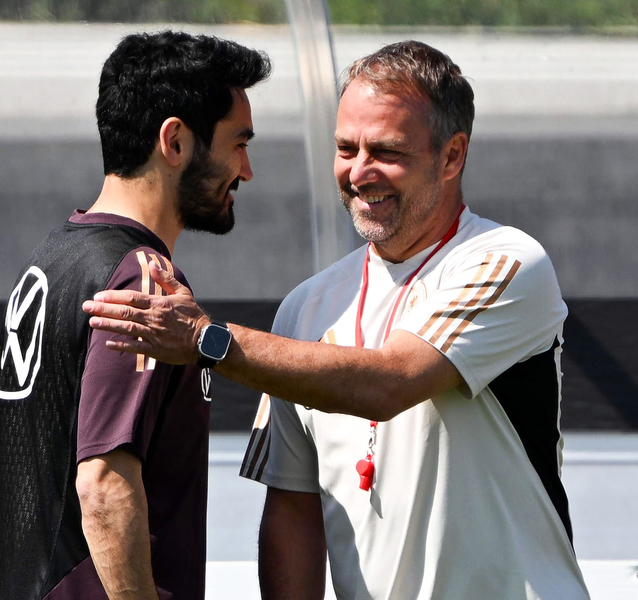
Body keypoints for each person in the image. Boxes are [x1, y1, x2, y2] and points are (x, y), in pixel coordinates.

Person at [82, 40, 589, 600]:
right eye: (346, 148)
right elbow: (293, 508)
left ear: (452, 156)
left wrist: (207, 339)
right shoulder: (304, 306)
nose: (360, 172)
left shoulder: (506, 261)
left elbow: (391, 382)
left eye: (388, 152)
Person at [0, 31, 270, 600]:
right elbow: (105, 486)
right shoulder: (142, 278)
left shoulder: (54, 257)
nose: (248, 170)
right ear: (176, 141)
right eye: (239, 143)